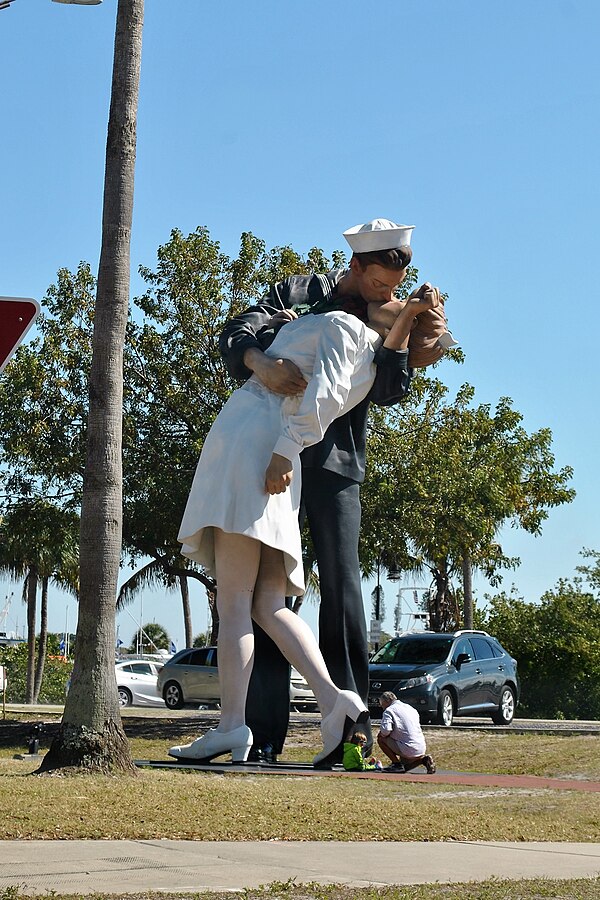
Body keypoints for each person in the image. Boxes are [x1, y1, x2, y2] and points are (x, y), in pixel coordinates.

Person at [168, 266, 441, 766]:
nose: (390, 296)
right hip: (279, 450)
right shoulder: (321, 306)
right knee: (267, 603)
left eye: (396, 297)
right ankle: (327, 702)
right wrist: (259, 360)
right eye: (383, 287)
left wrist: (284, 441)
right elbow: (240, 330)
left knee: (241, 601)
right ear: (359, 272)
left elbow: (339, 393)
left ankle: (238, 725)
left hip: (262, 445)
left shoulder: (349, 335)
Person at [377, 691, 436, 774]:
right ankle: (423, 760)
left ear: (386, 701)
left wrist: (382, 734)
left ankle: (396, 764)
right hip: (420, 747)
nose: (381, 706)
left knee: (380, 738)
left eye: (381, 703)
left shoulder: (389, 710)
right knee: (405, 767)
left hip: (407, 748)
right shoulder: (410, 708)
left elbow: (385, 731)